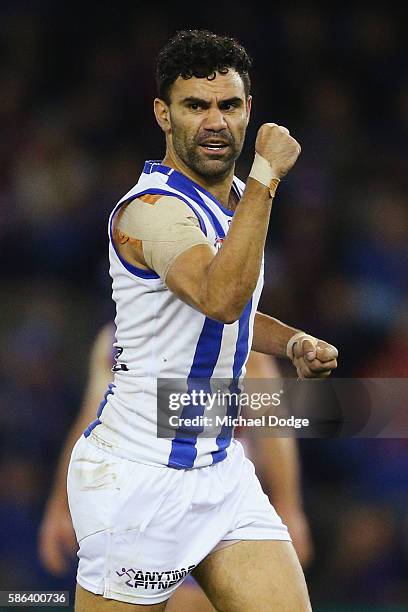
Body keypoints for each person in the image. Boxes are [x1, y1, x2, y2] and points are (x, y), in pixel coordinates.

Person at [67, 29, 338, 611]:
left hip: (219, 470)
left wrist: (289, 341)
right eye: (196, 106)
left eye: (229, 105)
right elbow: (220, 298)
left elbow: (227, 318)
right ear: (164, 114)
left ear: (248, 110)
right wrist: (268, 177)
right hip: (138, 476)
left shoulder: (238, 195)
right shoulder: (152, 211)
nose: (214, 121)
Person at [39, 324, 313, 610]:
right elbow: (95, 415)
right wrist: (60, 505)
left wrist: (288, 504)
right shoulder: (115, 338)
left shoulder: (230, 330)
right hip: (144, 496)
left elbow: (270, 415)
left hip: (217, 491)